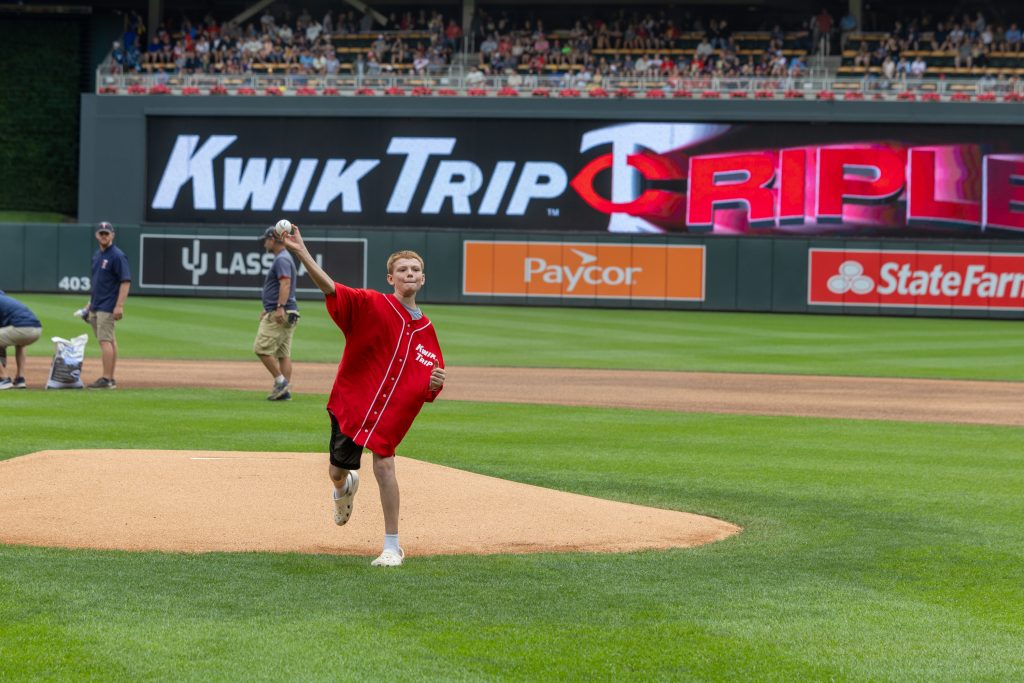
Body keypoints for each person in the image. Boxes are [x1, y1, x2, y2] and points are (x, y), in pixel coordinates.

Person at [281, 226, 445, 568]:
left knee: (385, 465)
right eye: (403, 270)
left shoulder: (427, 331)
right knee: (337, 471)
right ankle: (343, 488)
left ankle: (392, 545)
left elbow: (429, 379)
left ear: (423, 278)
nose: (409, 274)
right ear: (391, 278)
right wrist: (301, 252)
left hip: (386, 417)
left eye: (415, 269)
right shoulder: (371, 304)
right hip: (353, 405)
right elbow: (331, 288)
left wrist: (434, 384)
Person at [82, 222, 131, 389]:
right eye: (101, 233)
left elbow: (125, 282)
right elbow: (99, 282)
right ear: (97, 235)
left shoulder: (117, 256)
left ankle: (107, 378)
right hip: (97, 304)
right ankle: (110, 377)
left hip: (108, 305)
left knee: (105, 341)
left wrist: (119, 305)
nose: (104, 236)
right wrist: (90, 303)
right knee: (109, 340)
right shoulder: (97, 255)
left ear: (112, 235)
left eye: (107, 233)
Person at [254, 226, 300, 401]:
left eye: (266, 239)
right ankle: (284, 392)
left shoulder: (281, 259)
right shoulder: (285, 258)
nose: (265, 242)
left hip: (282, 312)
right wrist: (269, 307)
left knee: (261, 348)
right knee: (283, 354)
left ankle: (281, 382)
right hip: (290, 311)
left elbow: (285, 283)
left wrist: (279, 306)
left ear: (273, 240)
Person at [0, 290, 42, 389]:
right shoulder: (7, 300)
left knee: (18, 337)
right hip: (37, 330)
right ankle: (20, 378)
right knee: (20, 343)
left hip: (22, 329)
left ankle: (3, 378)